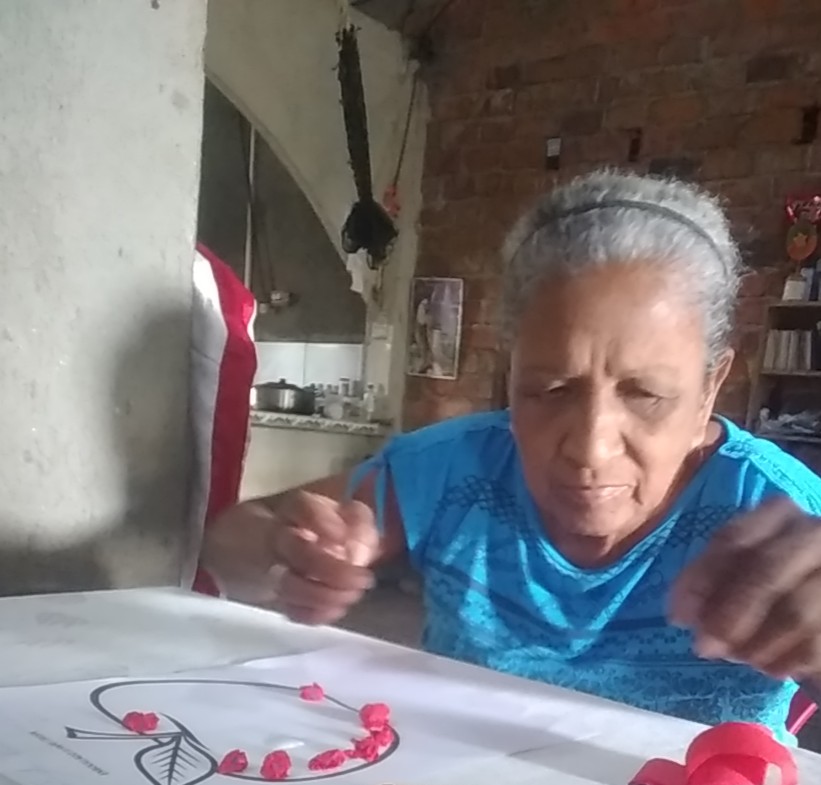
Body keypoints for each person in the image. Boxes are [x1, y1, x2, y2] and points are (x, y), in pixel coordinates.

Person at [202, 169, 821, 740]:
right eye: (550, 390)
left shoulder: (774, 506)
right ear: (510, 377)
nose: (590, 446)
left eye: (647, 395)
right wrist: (289, 552)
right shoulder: (451, 470)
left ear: (710, 387)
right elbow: (229, 540)